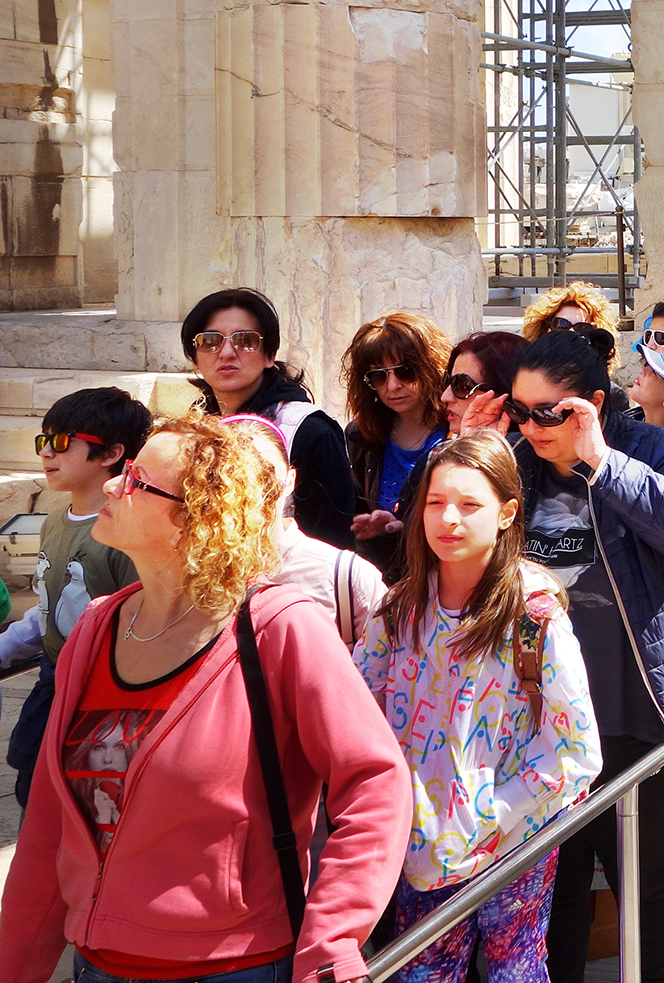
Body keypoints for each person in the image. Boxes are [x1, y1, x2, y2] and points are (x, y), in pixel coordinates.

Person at [0, 415, 411, 983]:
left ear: (200, 518)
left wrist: (331, 941)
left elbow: (374, 783)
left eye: (138, 480)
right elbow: (50, 821)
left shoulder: (280, 628)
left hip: (232, 966)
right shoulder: (95, 629)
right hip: (94, 964)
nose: (115, 484)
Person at [459, 325, 664, 983]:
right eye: (521, 408)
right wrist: (465, 450)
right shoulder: (509, 460)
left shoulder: (650, 445)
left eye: (549, 412)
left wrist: (602, 463)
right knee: (555, 880)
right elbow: (447, 538)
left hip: (635, 705)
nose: (532, 426)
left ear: (591, 402)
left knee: (641, 873)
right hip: (537, 710)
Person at [357, 433, 605, 983]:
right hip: (417, 841)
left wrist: (491, 813)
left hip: (512, 839)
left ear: (506, 513)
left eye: (470, 505)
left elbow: (576, 752)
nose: (450, 519)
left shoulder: (533, 613)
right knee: (420, 973)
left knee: (513, 969)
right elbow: (358, 710)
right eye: (436, 502)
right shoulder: (397, 609)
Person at [0, 388, 151, 809]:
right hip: (52, 682)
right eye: (44, 440)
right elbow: (46, 610)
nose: (48, 452)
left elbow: (141, 626)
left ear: (111, 453)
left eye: (63, 441)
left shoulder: (127, 530)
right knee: (33, 795)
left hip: (105, 696)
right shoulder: (51, 522)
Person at [180, 287, 357, 548]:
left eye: (245, 341)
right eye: (210, 341)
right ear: (194, 357)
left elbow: (333, 542)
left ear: (270, 355)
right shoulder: (190, 431)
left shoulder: (308, 431)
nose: (227, 352)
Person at [228, 414, 387, 648]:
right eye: (234, 476)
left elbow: (387, 670)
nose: (252, 491)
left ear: (290, 480)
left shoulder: (347, 576)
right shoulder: (184, 578)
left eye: (265, 475)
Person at [342, 312, 453, 577]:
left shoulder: (456, 431)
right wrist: (375, 534)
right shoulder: (361, 436)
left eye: (405, 372)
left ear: (432, 367)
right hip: (390, 583)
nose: (392, 386)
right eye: (378, 376)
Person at [443, 330, 530, 437]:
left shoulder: (528, 451)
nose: (445, 397)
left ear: (505, 397)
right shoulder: (441, 448)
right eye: (447, 380)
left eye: (462, 385)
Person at [521, 280, 618, 342]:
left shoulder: (598, 374)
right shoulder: (525, 372)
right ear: (544, 330)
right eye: (561, 325)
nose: (570, 332)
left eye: (582, 328)